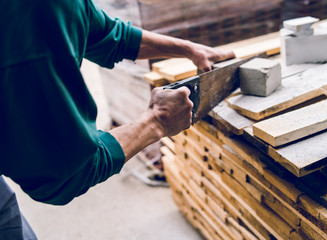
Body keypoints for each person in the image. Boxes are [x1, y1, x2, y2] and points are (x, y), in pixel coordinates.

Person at [0, 0, 235, 239]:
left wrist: (188, 49)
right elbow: (63, 174)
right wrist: (158, 121)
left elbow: (107, 34)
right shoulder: (34, 16)